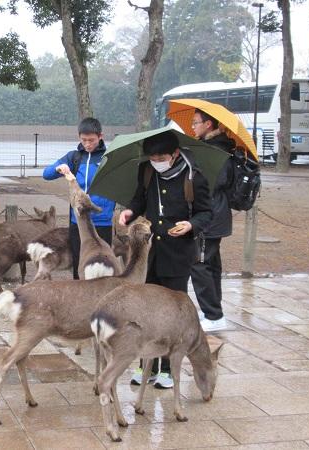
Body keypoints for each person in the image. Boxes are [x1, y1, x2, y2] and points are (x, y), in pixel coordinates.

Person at [119, 130, 212, 388]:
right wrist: (129, 211)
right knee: (147, 311)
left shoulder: (194, 177)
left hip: (178, 254)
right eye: (152, 157)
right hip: (150, 254)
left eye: (161, 157)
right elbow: (139, 198)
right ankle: (146, 365)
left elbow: (206, 213)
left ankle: (169, 370)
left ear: (175, 154)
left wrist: (191, 225)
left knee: (172, 314)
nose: (156, 161)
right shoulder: (147, 171)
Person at [43, 117, 115, 279]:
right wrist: (59, 168)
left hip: (102, 222)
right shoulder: (74, 157)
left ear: (100, 136)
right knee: (80, 266)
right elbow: (46, 174)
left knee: (103, 268)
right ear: (79, 137)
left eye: (92, 140)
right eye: (84, 140)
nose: (88, 144)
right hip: (79, 223)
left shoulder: (109, 157)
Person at [190, 109, 236, 332]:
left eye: (195, 123)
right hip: (214, 215)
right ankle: (213, 310)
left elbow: (215, 182)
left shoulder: (217, 150)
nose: (192, 127)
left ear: (208, 124)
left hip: (210, 216)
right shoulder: (213, 147)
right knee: (211, 265)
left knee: (199, 264)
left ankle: (214, 315)